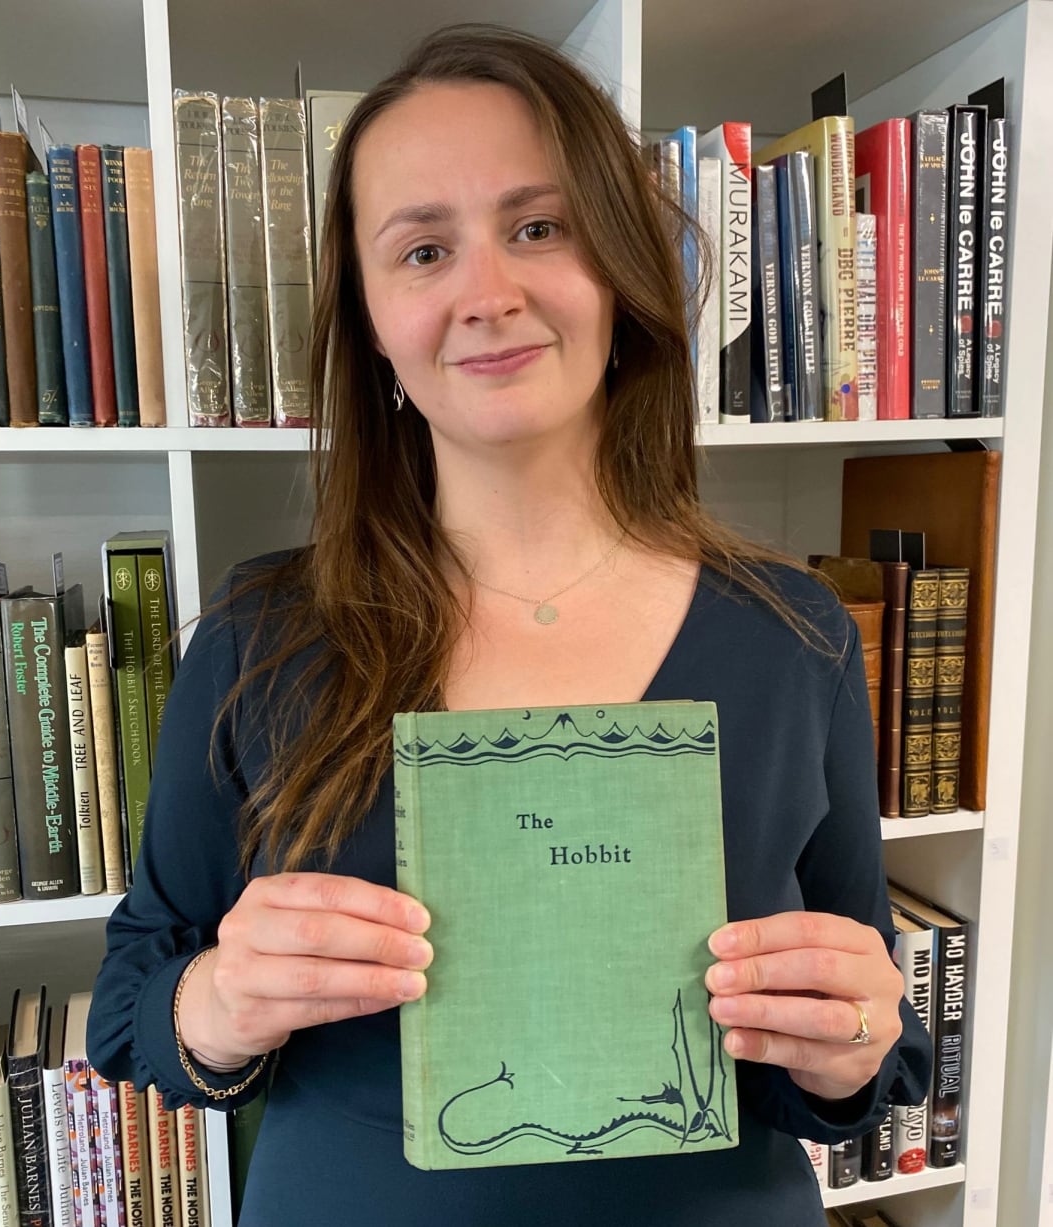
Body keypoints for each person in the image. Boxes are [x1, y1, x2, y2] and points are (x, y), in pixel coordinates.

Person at [88, 23, 931, 1225]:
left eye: (538, 227)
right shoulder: (259, 632)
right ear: (372, 320)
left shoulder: (793, 636)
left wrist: (849, 1039)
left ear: (619, 270)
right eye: (423, 249)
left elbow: (859, 1057)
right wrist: (218, 1001)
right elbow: (132, 1000)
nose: (488, 294)